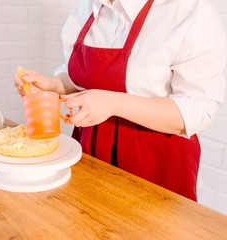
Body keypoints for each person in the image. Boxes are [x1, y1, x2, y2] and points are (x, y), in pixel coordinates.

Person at [14, 0, 226, 201]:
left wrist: (113, 104)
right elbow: (81, 78)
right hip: (90, 153)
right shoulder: (87, 8)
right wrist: (52, 85)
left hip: (156, 165)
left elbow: (199, 109)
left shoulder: (188, 12)